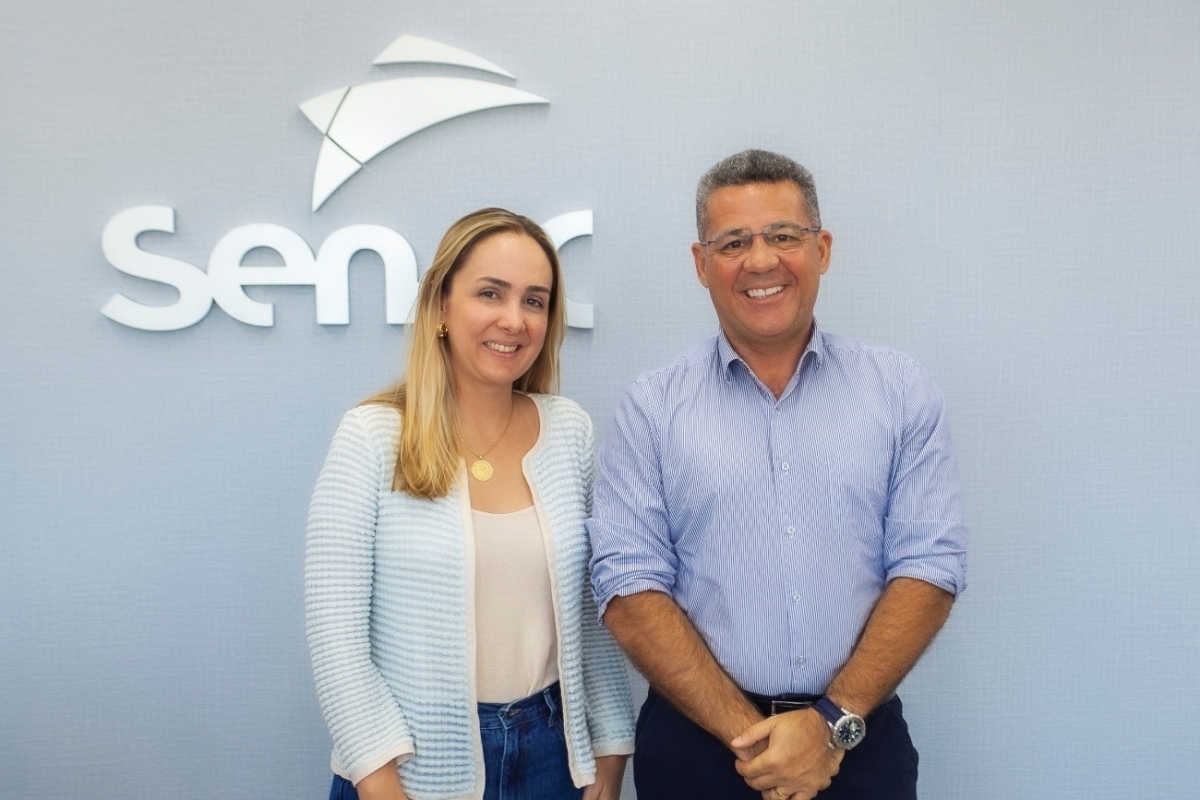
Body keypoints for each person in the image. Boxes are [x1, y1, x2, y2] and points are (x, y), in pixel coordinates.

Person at [588, 150, 968, 800]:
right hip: (697, 753)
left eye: (783, 237)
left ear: (821, 249)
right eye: (733, 242)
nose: (760, 261)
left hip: (858, 747)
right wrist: (758, 742)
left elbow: (930, 567)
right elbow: (627, 587)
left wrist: (828, 727)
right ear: (701, 263)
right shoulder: (651, 407)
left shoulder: (900, 391)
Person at [306, 208, 635, 800]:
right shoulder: (372, 437)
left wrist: (609, 753)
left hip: (554, 758)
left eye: (535, 301)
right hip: (408, 765)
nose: (514, 320)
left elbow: (594, 615)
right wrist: (382, 786)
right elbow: (337, 643)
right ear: (440, 305)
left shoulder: (569, 433)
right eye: (491, 293)